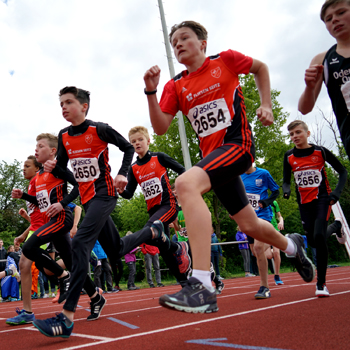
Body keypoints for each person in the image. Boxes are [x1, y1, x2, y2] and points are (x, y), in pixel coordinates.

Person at [144, 20, 315, 313]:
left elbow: (261, 68)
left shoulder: (225, 60)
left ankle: (202, 286)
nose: (178, 45)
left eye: (184, 38)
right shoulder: (176, 85)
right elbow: (160, 127)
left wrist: (266, 104)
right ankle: (292, 247)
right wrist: (150, 92)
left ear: (202, 44)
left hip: (237, 146)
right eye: (174, 43)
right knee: (248, 225)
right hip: (213, 159)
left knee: (185, 183)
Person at [33, 86, 165, 338]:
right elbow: (63, 169)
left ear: (84, 106)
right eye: (61, 103)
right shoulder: (63, 136)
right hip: (88, 199)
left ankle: (67, 317)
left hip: (105, 194)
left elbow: (127, 148)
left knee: (80, 242)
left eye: (68, 102)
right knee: (115, 249)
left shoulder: (99, 129)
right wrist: (52, 167)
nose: (63, 107)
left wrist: (123, 173)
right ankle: (152, 231)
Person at [8, 135, 79, 325]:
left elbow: (76, 189)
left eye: (26, 166)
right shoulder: (37, 181)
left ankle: (29, 309)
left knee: (29, 261)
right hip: (45, 225)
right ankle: (94, 294)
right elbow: (39, 205)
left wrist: (63, 205)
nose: (23, 169)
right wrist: (23, 196)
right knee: (59, 265)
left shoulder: (51, 172)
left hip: (51, 224)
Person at [283, 120, 347, 297]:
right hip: (304, 203)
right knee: (312, 241)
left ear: (307, 133)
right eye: (291, 134)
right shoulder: (289, 156)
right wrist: (286, 190)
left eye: (297, 132)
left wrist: (336, 193)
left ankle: (321, 284)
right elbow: (286, 180)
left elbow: (342, 171)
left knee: (319, 237)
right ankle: (336, 227)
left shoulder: (320, 152)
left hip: (323, 199)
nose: (294, 136)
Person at [120, 126, 191, 283]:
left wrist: (181, 188)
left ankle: (178, 248)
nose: (137, 143)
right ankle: (185, 283)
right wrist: (119, 190)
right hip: (153, 211)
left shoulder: (159, 158)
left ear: (148, 141)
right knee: (163, 249)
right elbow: (129, 194)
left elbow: (183, 170)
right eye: (133, 141)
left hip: (168, 205)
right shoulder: (133, 168)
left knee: (149, 231)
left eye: (140, 139)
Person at [298, 0, 350, 160]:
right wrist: (309, 86)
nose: (334, 19)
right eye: (328, 19)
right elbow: (304, 108)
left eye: (341, 13)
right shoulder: (322, 60)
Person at [240, 165, 282, 299]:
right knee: (255, 251)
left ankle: (264, 287)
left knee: (258, 248)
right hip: (248, 218)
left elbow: (276, 191)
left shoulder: (263, 173)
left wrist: (266, 201)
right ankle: (275, 241)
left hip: (263, 216)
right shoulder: (239, 176)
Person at [264, 200, 285, 285]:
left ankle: (277, 276)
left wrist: (281, 222)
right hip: (265, 231)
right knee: (269, 256)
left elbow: (280, 216)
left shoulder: (274, 202)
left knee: (276, 253)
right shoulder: (259, 202)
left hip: (275, 230)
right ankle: (273, 250)